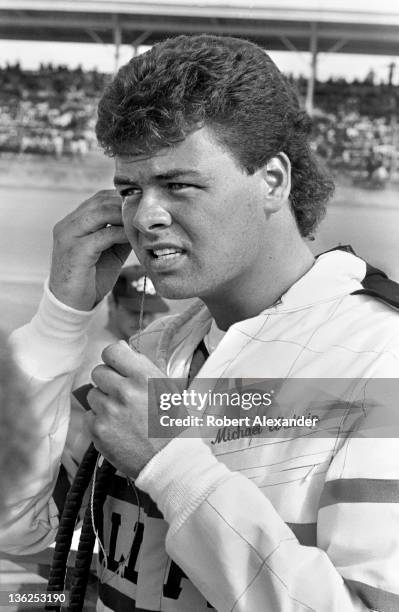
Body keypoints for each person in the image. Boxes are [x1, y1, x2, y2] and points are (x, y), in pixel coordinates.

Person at [2, 34, 399, 612]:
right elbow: (23, 534)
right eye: (130, 189)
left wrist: (173, 469)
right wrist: (58, 321)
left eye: (178, 184)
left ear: (273, 181)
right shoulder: (158, 350)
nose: (144, 216)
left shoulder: (380, 358)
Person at [72, 264, 168, 389]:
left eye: (149, 312)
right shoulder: (100, 357)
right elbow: (82, 406)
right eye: (134, 311)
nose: (142, 321)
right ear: (112, 303)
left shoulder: (127, 347)